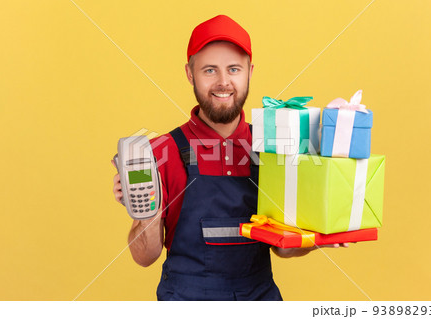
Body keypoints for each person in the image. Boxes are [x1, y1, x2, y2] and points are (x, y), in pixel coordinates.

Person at [112, 15, 348, 301]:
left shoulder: (272, 147)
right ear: (190, 73)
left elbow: (283, 247)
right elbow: (145, 257)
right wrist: (145, 214)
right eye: (209, 70)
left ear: (249, 71)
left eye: (233, 69)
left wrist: (320, 235)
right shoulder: (160, 152)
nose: (223, 82)